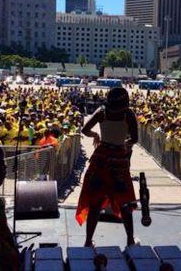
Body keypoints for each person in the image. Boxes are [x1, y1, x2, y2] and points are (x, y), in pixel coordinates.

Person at [76, 87, 139, 247]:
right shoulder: (128, 114)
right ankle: (130, 240)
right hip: (118, 159)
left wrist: (96, 135)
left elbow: (85, 130)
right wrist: (125, 144)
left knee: (95, 201)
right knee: (124, 201)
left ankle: (88, 240)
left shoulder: (102, 111)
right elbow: (135, 138)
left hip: (101, 157)